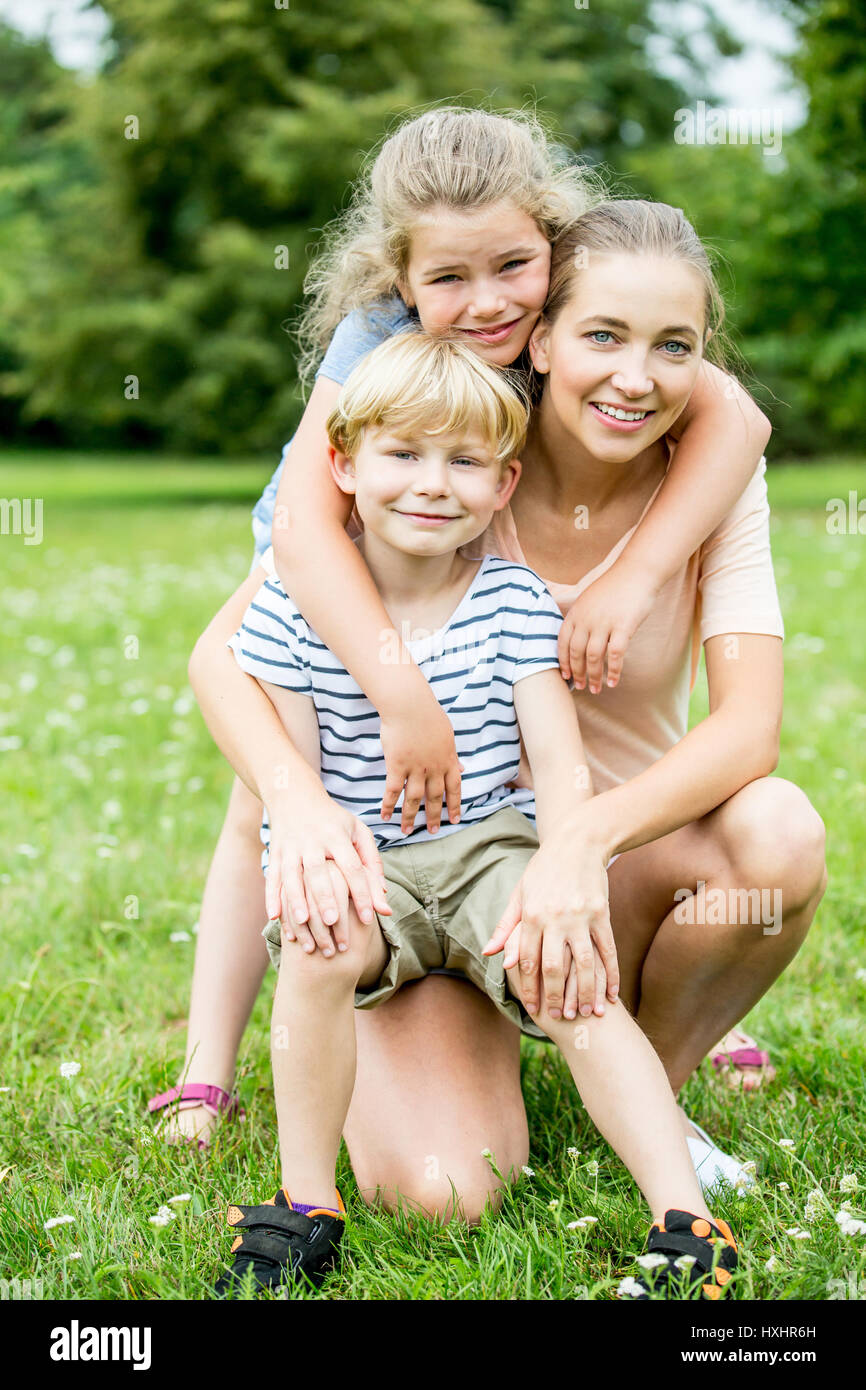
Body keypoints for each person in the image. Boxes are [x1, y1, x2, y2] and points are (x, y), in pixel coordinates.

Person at [190, 198, 825, 1234]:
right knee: (445, 1189)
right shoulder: (444, 460)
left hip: (601, 862)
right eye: (600, 336)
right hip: (444, 859)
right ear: (539, 339)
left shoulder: (710, 483)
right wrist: (302, 798)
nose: (634, 378)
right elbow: (227, 654)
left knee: (777, 829)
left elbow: (747, 733)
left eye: (674, 347)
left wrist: (577, 838)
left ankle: (647, 1092)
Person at [212, 330, 738, 1300]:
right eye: (402, 454)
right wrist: (310, 867)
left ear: (502, 485)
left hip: (488, 848)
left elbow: (557, 763)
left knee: (568, 975)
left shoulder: (509, 602)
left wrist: (555, 871)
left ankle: (684, 1215)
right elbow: (290, 773)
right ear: (342, 464)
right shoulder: (294, 605)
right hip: (369, 858)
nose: (430, 484)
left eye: (462, 462)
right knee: (322, 944)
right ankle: (302, 1201)